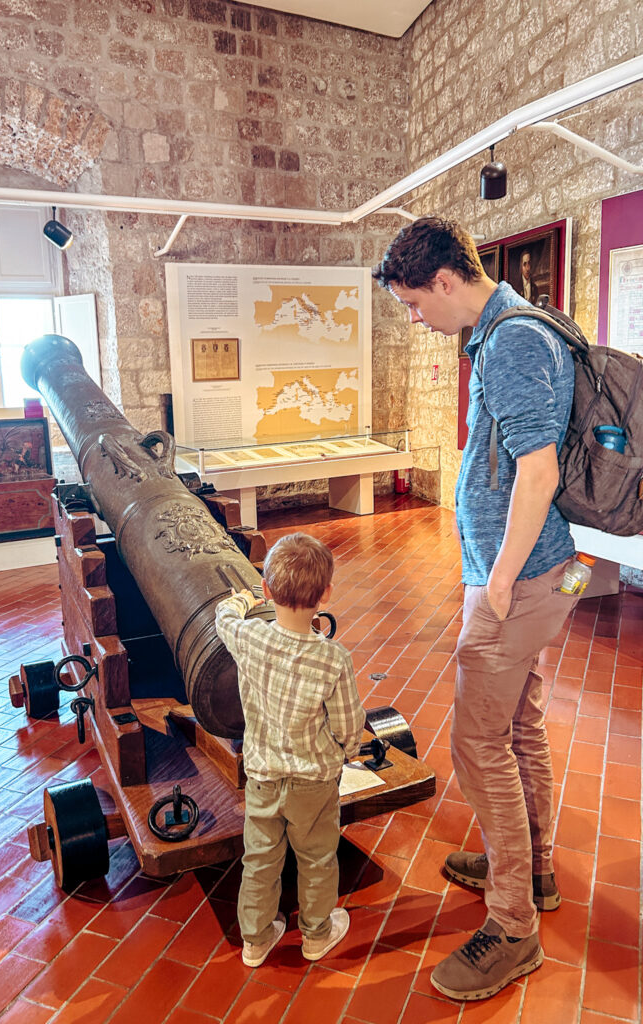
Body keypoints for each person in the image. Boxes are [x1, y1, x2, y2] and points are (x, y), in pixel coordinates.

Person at [373, 216, 577, 1001]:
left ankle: (514, 926)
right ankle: (532, 864)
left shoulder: (514, 342)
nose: (417, 320)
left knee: (476, 742)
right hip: (537, 574)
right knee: (517, 721)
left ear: (447, 282)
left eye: (417, 305)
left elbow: (538, 471)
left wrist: (497, 581)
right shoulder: (509, 329)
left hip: (522, 579)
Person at [215, 532, 365, 969]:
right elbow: (348, 726)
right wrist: (345, 751)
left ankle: (255, 940)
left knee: (260, 859)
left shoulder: (250, 639)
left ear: (266, 589)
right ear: (326, 594)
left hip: (262, 775)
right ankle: (317, 934)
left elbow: (224, 616)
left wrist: (241, 599)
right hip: (313, 781)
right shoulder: (334, 659)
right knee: (317, 856)